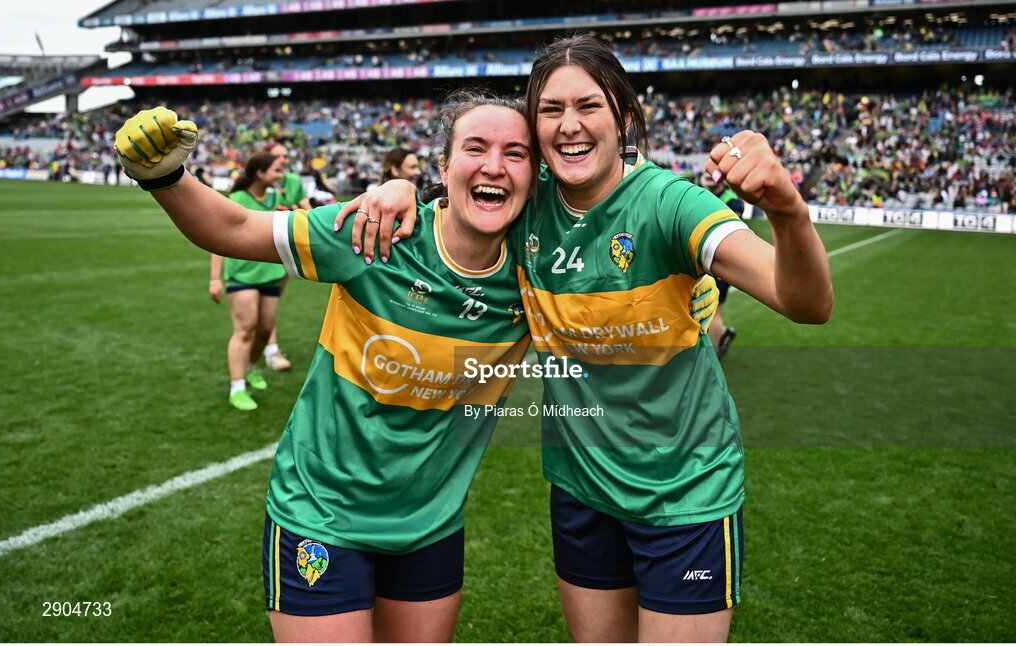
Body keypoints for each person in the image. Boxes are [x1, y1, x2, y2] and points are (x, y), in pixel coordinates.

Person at [341, 34, 832, 643]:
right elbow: (466, 195)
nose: (569, 125)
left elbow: (807, 303)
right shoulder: (526, 205)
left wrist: (788, 210)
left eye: (588, 106)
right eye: (551, 110)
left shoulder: (670, 204)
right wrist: (401, 190)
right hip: (581, 491)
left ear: (623, 117)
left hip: (684, 494)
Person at [113, 93, 535, 642]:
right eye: (475, 148)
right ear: (443, 166)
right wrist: (166, 177)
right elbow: (236, 228)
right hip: (322, 516)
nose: (494, 165)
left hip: (430, 529)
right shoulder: (373, 232)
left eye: (517, 153)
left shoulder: (541, 272)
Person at [211, 151, 288, 411]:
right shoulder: (236, 199)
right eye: (277, 169)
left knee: (265, 330)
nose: (282, 175)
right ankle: (238, 387)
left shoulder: (277, 197)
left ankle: (252, 368)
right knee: (246, 328)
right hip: (242, 275)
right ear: (260, 172)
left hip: (272, 275)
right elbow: (217, 241)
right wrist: (215, 279)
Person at [261, 142, 312, 372]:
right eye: (277, 156)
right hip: (261, 246)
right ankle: (270, 349)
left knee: (272, 300)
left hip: (284, 248)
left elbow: (306, 209)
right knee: (262, 301)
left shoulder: (292, 181)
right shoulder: (259, 180)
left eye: (285, 156)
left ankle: (264, 343)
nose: (283, 160)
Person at [700, 171, 746, 358]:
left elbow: (728, 232)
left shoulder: (733, 202)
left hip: (718, 263)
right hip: (703, 260)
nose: (709, 176)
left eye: (713, 174)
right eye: (706, 173)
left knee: (711, 308)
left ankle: (714, 348)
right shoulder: (698, 193)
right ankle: (722, 336)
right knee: (708, 308)